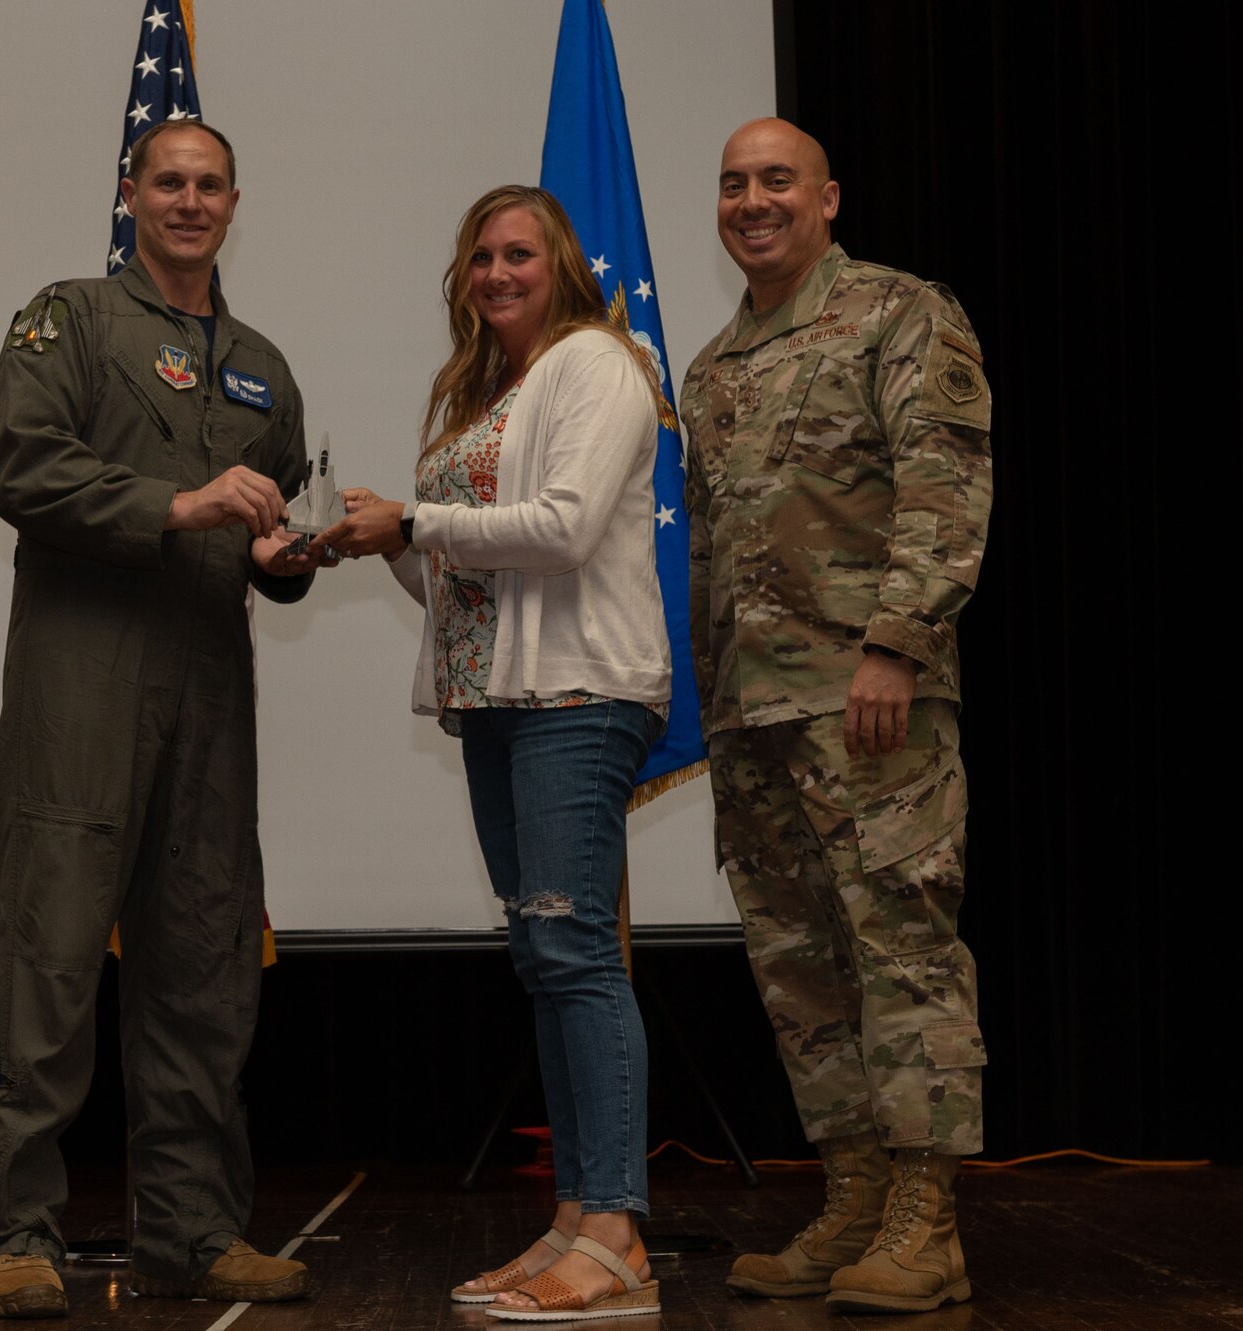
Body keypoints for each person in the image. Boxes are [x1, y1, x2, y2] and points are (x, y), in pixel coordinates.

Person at [0, 119, 330, 1319]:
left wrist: (288, 554)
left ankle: (191, 1227)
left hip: (210, 696)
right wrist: (177, 504)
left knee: (201, 970)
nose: (187, 201)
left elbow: (269, 545)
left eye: (207, 184)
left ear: (234, 202)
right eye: (165, 182)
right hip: (82, 688)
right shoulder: (65, 318)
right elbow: (22, 468)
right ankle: (19, 1228)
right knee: (49, 964)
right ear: (130, 194)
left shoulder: (265, 367)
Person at [315, 184, 671, 1323]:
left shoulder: (597, 364)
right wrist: (378, 537)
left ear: (561, 264)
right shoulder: (491, 393)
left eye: (519, 252)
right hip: (500, 701)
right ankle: (574, 1219)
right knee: (542, 961)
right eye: (480, 257)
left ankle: (616, 1233)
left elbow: (562, 530)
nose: (496, 272)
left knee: (575, 959)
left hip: (579, 694)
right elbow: (461, 575)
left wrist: (415, 519)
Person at [680, 118, 994, 1316]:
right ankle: (855, 1196)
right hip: (753, 709)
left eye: (774, 181)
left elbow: (944, 480)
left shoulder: (900, 311)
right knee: (800, 967)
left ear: (825, 198)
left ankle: (928, 1222)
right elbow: (712, 548)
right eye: (732, 185)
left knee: (900, 944)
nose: (750, 200)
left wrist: (895, 645)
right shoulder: (713, 367)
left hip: (870, 700)